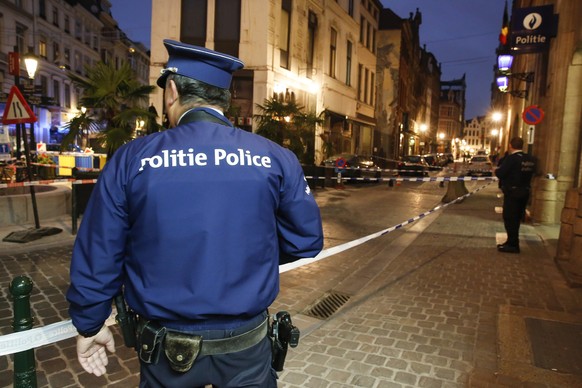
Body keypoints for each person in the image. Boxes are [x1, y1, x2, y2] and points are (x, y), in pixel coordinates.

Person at [67, 39, 324, 387]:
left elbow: (99, 249)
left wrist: (90, 323)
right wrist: (245, 253)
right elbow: (306, 240)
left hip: (165, 348)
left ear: (171, 91)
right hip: (246, 345)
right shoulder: (275, 157)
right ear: (224, 98)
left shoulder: (132, 159)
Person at [495, 137, 535, 253]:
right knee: (517, 218)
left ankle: (513, 244)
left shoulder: (511, 159)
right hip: (525, 191)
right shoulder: (530, 159)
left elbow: (501, 173)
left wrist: (496, 171)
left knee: (509, 218)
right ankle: (511, 241)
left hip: (513, 192)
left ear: (511, 145)